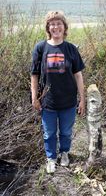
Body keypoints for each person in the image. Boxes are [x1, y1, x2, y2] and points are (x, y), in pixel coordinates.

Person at [31, 11, 85, 174]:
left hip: (68, 101)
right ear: (48, 28)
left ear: (64, 27)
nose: (55, 27)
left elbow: (78, 75)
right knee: (49, 132)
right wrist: (34, 97)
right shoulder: (40, 48)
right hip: (47, 102)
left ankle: (64, 153)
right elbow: (34, 75)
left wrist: (82, 99)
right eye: (52, 24)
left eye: (59, 23)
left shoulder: (71, 49)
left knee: (67, 132)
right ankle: (51, 158)